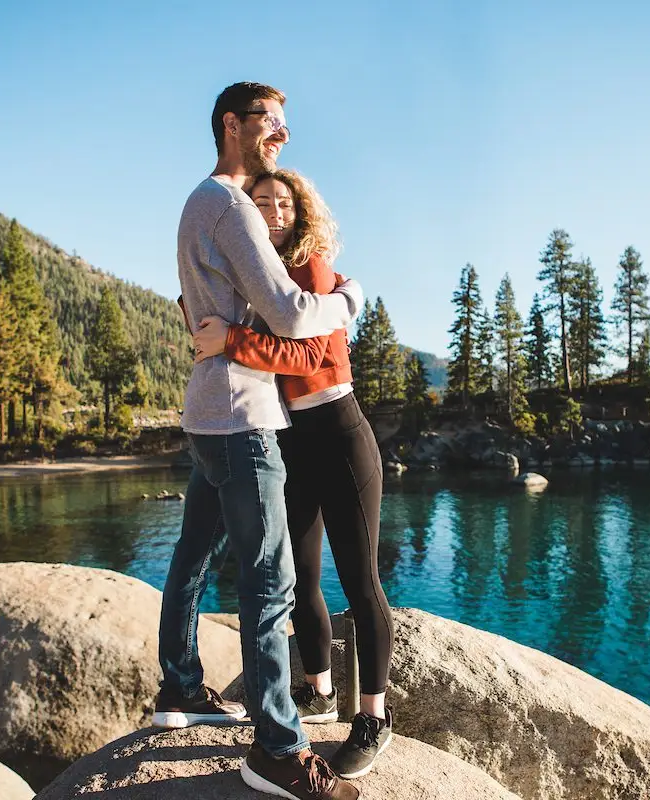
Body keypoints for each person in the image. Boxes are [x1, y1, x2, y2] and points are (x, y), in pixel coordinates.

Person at [156, 81, 361, 800]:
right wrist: (349, 299)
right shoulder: (229, 204)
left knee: (192, 557)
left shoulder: (197, 204)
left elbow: (200, 305)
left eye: (285, 124)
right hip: (243, 419)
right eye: (270, 122)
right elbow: (289, 310)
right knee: (270, 582)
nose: (281, 134)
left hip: (208, 414)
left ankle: (179, 686)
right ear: (231, 125)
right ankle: (277, 748)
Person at [192, 169, 394, 779]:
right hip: (290, 441)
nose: (274, 211)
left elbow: (308, 353)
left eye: (284, 202)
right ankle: (319, 691)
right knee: (301, 574)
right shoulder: (260, 275)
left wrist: (231, 342)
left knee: (360, 581)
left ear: (301, 211)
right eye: (262, 202)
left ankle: (373, 719)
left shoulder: (310, 267)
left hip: (339, 432)